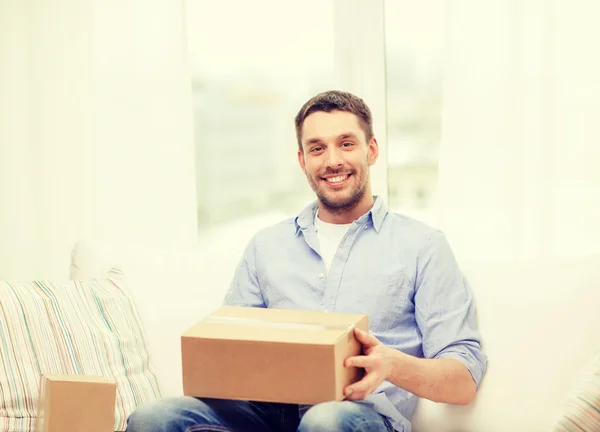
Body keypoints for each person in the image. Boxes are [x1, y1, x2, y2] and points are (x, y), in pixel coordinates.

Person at [126, 90, 487, 432]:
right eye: (317, 148)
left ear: (371, 150)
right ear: (302, 161)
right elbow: (231, 351)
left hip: (360, 416)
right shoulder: (265, 247)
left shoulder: (422, 245)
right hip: (266, 415)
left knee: (324, 421)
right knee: (154, 417)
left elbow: (464, 379)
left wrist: (394, 364)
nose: (333, 161)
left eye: (346, 144)